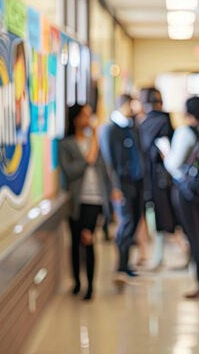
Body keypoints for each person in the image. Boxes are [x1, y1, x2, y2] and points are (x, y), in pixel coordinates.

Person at [163, 96, 199, 299]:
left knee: (195, 237)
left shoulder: (184, 132)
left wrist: (166, 155)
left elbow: (173, 164)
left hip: (188, 191)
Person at [58, 104, 112, 301]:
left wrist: (112, 192)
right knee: (75, 241)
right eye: (85, 116)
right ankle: (77, 281)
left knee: (88, 238)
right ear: (75, 119)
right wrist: (87, 159)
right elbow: (69, 171)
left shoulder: (95, 141)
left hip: (95, 199)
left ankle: (90, 285)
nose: (89, 120)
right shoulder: (66, 144)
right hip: (76, 200)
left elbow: (103, 169)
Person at [99, 94, 146, 288]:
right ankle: (120, 266)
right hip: (123, 184)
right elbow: (110, 162)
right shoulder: (110, 129)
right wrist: (115, 187)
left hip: (137, 182)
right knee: (125, 223)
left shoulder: (132, 127)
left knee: (134, 221)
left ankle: (126, 265)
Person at [138, 88, 178, 267]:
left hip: (151, 177)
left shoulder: (145, 123)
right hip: (160, 177)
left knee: (158, 216)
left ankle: (158, 255)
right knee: (161, 216)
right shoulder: (164, 121)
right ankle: (156, 255)